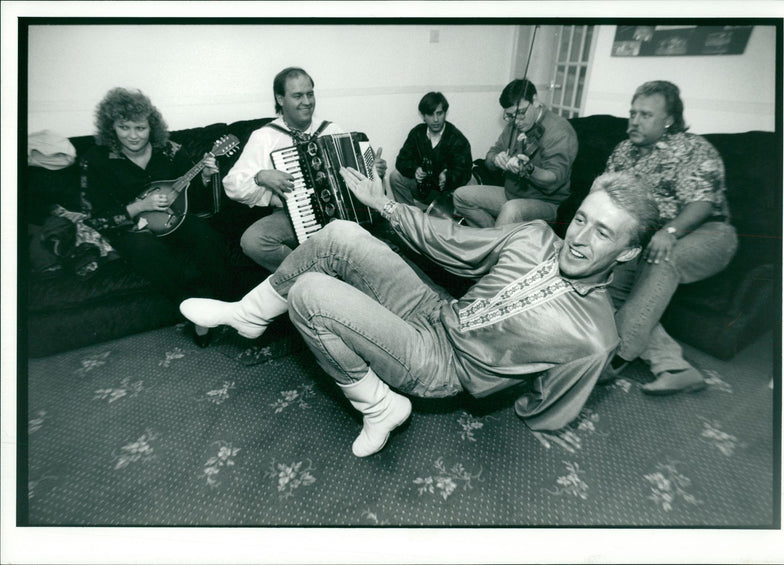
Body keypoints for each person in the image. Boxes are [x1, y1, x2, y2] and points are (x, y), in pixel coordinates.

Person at [180, 169, 659, 457]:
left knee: (310, 294)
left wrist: (508, 394)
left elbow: (550, 405)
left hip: (441, 367)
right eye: (581, 219)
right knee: (341, 233)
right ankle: (250, 313)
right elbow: (453, 243)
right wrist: (384, 203)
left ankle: (380, 407)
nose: (579, 238)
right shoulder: (534, 236)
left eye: (602, 233)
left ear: (627, 253)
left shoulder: (596, 337)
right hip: (436, 310)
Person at [601, 81, 739, 394]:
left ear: (669, 120)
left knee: (665, 258)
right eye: (632, 112)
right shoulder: (623, 151)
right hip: (648, 237)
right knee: (608, 282)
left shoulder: (693, 149)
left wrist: (670, 231)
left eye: (645, 114)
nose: (634, 120)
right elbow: (606, 196)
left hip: (708, 232)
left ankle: (615, 358)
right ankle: (674, 367)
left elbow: (703, 203)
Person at [81, 87, 236, 347]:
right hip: (130, 229)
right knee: (147, 250)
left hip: (174, 219)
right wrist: (139, 206)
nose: (132, 135)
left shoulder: (172, 151)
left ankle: (231, 307)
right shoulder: (96, 160)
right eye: (124, 127)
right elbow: (96, 218)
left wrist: (207, 178)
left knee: (206, 237)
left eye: (140, 128)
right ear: (111, 127)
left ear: (151, 127)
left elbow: (195, 200)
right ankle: (194, 314)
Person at [222, 66, 387, 272]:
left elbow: (358, 175)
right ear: (280, 99)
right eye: (298, 96)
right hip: (291, 214)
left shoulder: (331, 129)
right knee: (253, 241)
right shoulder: (264, 137)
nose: (307, 102)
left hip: (341, 211)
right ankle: (317, 274)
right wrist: (260, 177)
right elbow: (231, 185)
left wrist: (373, 171)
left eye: (310, 94)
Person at [452, 78, 578, 227]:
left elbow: (554, 178)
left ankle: (494, 244)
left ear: (535, 101)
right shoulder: (513, 126)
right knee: (461, 196)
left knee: (511, 210)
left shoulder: (559, 130)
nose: (516, 121)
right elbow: (492, 153)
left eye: (521, 113)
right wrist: (495, 159)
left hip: (547, 203)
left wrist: (530, 169)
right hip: (511, 194)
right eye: (511, 115)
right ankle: (491, 239)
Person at [389, 91, 473, 213]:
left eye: (439, 113)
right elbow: (401, 160)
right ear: (423, 116)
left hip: (447, 193)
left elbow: (465, 172)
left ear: (445, 113)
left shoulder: (457, 138)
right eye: (430, 114)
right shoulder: (417, 133)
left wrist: (448, 177)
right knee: (395, 177)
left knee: (468, 185)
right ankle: (409, 218)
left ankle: (445, 217)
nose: (435, 119)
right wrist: (414, 169)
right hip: (424, 188)